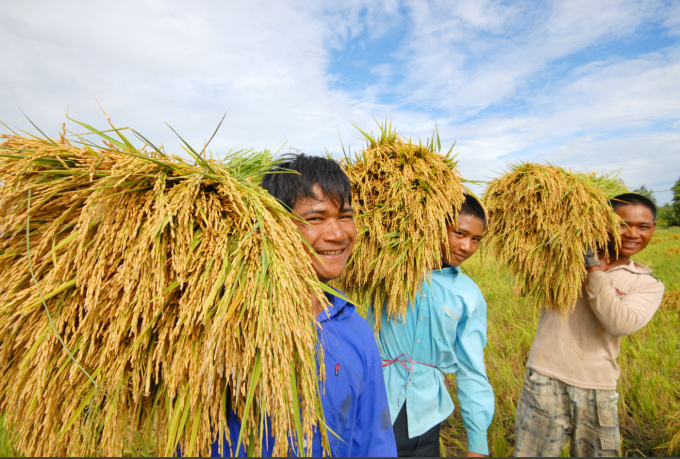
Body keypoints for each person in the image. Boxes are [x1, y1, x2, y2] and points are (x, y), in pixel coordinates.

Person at [212, 153, 397, 457]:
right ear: (274, 227)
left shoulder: (357, 331)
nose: (338, 234)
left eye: (345, 216)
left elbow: (374, 439)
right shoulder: (233, 324)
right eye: (315, 218)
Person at [514, 193, 665, 457]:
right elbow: (527, 277)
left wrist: (593, 268)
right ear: (601, 222)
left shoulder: (646, 283)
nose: (633, 233)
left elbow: (619, 323)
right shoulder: (564, 261)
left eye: (644, 227)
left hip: (598, 388)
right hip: (544, 378)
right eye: (622, 223)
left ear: (653, 229)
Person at [370, 194, 495, 457]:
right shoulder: (388, 269)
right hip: (375, 403)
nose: (467, 246)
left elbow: (472, 370)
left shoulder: (468, 296)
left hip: (426, 416)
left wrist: (478, 443)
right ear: (435, 225)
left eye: (476, 239)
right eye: (458, 233)